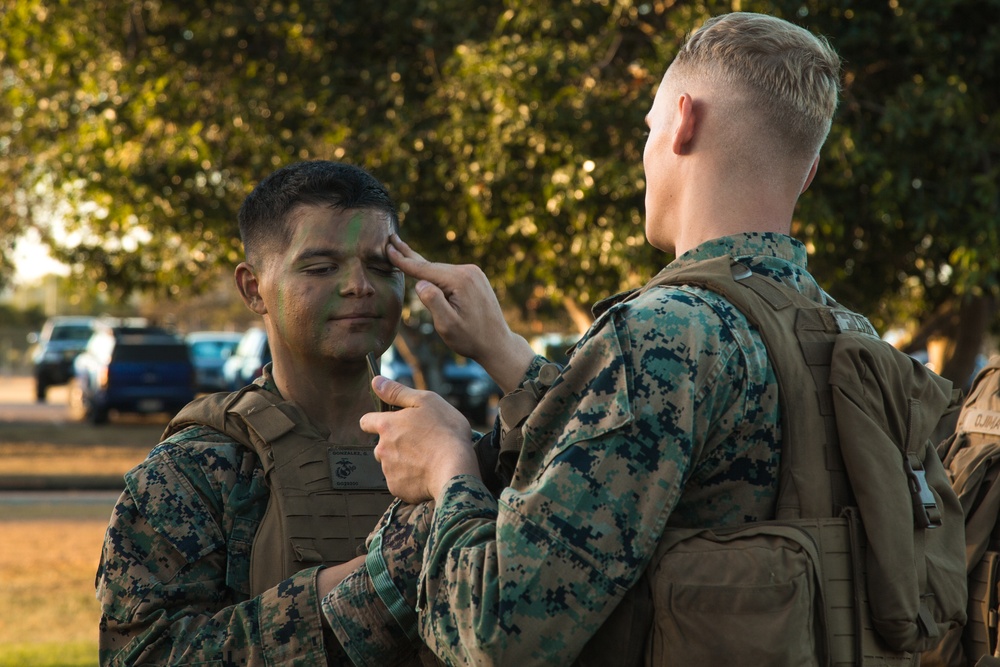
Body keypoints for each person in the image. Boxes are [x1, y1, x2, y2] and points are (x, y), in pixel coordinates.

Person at [327, 11, 854, 665]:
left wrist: (448, 466)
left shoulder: (663, 335)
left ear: (684, 121)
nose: (647, 148)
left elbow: (499, 632)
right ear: (806, 173)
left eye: (649, 126)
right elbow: (687, 464)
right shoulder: (849, 336)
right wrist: (508, 354)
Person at [95, 160, 407, 665]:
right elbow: (143, 654)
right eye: (321, 267)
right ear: (253, 288)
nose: (360, 286)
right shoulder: (192, 473)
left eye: (381, 265)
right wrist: (352, 594)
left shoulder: (450, 449)